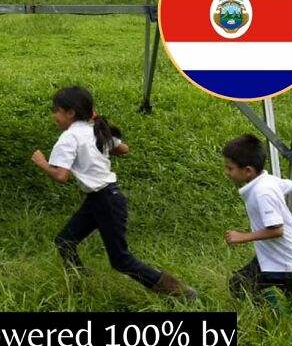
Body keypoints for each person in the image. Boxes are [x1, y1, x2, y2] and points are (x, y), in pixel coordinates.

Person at [32, 85, 197, 300]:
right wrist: (101, 151)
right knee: (65, 241)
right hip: (101, 199)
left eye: (56, 111)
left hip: (105, 201)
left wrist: (42, 162)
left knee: (121, 260)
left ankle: (180, 292)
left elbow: (61, 176)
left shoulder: (69, 137)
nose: (55, 116)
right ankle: (80, 281)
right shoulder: (95, 130)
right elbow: (124, 149)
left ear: (70, 112)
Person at [222, 134, 292, 329]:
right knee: (240, 284)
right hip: (271, 260)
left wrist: (243, 237)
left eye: (230, 168)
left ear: (248, 170)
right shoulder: (265, 181)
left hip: (291, 266)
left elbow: (277, 230)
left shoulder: (263, 192)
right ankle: (273, 317)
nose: (227, 172)